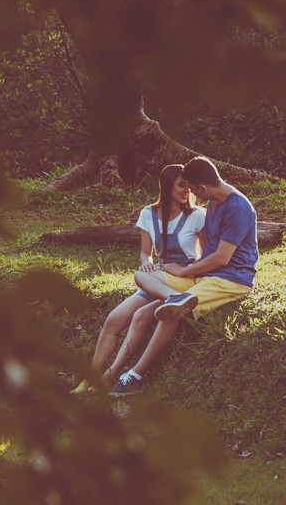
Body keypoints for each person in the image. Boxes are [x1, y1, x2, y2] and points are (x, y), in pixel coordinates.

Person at [109, 155, 258, 394]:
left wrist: (185, 270)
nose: (192, 194)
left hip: (230, 280)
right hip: (205, 276)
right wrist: (179, 272)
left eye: (193, 189)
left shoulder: (238, 208)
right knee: (143, 277)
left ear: (203, 187)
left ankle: (134, 376)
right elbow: (208, 252)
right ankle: (174, 297)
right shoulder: (214, 203)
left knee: (169, 315)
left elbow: (221, 258)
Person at [71, 164, 205, 393]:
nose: (187, 191)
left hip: (183, 278)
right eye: (182, 185)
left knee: (140, 314)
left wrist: (185, 271)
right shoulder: (149, 213)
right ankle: (89, 378)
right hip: (157, 280)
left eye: (189, 186)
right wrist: (147, 261)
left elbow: (206, 255)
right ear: (166, 186)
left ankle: (109, 375)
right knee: (114, 319)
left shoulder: (197, 215)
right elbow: (146, 252)